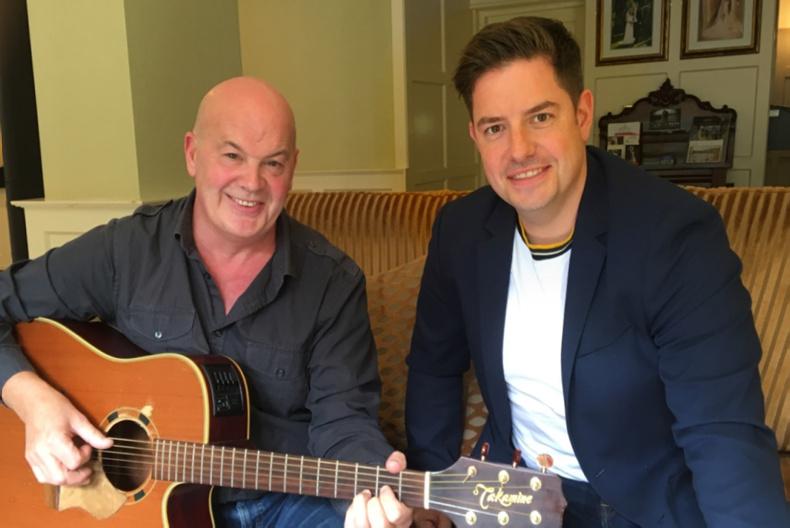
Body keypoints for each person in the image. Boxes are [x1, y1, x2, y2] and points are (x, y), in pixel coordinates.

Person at [405, 17, 789, 527]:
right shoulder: (461, 231)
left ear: (582, 114)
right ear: (476, 135)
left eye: (541, 117)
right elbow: (433, 365)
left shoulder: (676, 235)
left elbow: (722, 431)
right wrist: (431, 489)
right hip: (509, 495)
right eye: (495, 127)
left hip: (638, 504)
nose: (518, 150)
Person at [0, 77, 411, 528]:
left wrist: (375, 497)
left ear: (293, 168)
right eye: (232, 156)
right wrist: (31, 400)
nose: (252, 183)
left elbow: (343, 421)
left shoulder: (332, 283)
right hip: (146, 512)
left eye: (273, 163)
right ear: (192, 153)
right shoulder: (127, 250)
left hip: (284, 502)